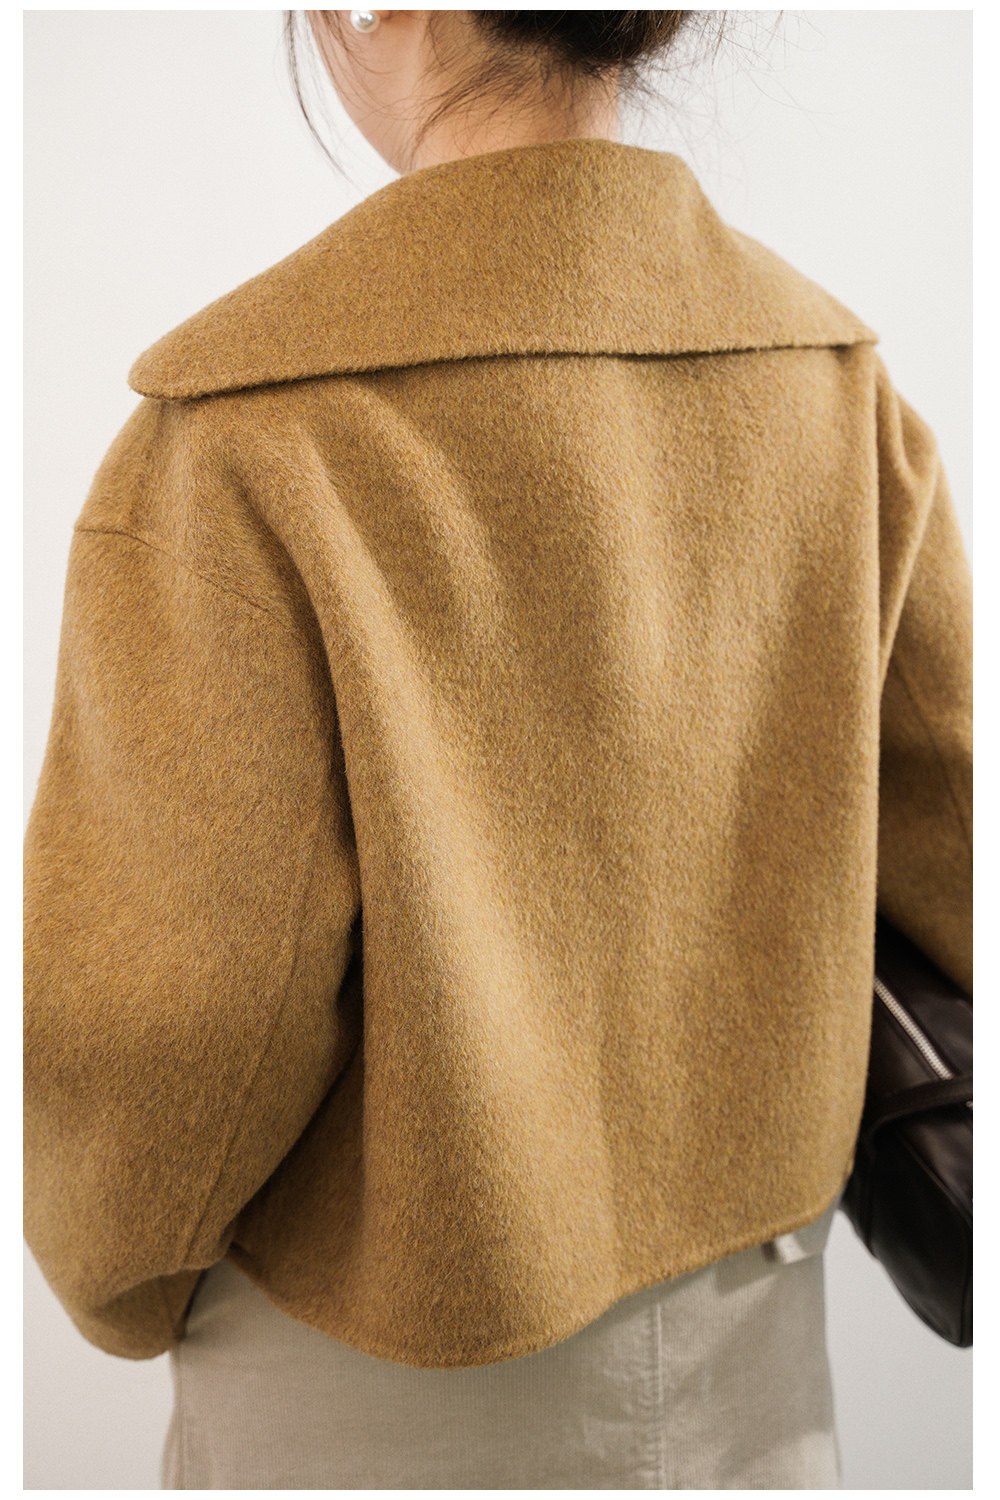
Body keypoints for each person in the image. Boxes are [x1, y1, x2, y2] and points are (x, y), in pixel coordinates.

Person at [23, 8, 972, 1491]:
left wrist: (115, 1278)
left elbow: (179, 1038)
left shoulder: (239, 440)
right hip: (758, 1365)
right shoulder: (836, 387)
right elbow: (956, 863)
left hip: (372, 1385)